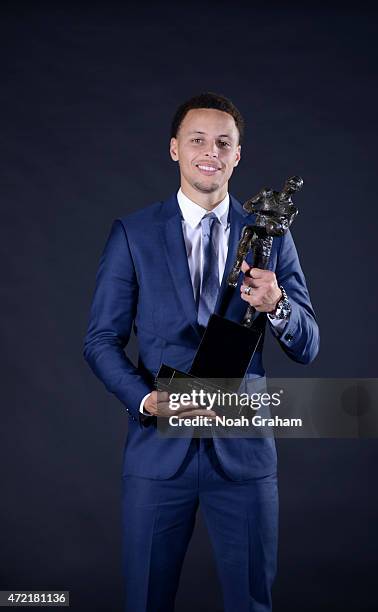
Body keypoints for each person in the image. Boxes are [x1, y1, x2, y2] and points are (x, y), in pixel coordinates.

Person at [83, 92, 319, 612]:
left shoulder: (273, 237)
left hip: (245, 453)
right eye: (197, 140)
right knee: (145, 601)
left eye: (223, 142)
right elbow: (100, 340)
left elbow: (308, 344)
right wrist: (147, 401)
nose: (209, 151)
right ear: (174, 149)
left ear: (238, 155)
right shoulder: (133, 234)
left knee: (252, 603)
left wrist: (277, 304)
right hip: (157, 453)